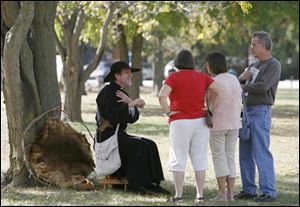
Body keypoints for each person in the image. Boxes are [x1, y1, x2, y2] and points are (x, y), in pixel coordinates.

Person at [95, 61, 169, 195]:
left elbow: (132, 118)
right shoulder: (107, 92)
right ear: (117, 76)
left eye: (130, 73)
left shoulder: (121, 92)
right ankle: (135, 186)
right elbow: (111, 115)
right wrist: (131, 104)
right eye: (127, 73)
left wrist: (130, 103)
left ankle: (151, 183)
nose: (130, 75)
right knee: (138, 146)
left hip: (118, 135)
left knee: (150, 144)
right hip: (108, 137)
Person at [158, 50, 220, 203]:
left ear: (177, 62)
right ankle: (200, 195)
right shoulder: (201, 76)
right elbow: (219, 90)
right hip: (200, 121)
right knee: (199, 158)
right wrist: (208, 106)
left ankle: (179, 195)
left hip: (180, 121)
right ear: (192, 62)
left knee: (178, 157)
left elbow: (161, 96)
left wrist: (168, 112)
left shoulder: (173, 77)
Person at [235, 31, 281, 202]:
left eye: (254, 43)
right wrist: (241, 79)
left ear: (263, 45)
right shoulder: (254, 64)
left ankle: (269, 192)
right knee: (245, 153)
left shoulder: (273, 65)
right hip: (246, 112)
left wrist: (244, 88)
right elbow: (240, 84)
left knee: (261, 152)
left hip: (261, 112)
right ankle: (249, 190)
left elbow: (263, 87)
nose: (252, 46)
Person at [205, 52, 242, 201]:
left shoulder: (213, 81)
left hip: (218, 124)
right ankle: (231, 195)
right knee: (230, 157)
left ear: (212, 65)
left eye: (207, 64)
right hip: (234, 123)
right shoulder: (234, 79)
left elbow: (208, 103)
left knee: (219, 157)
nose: (206, 67)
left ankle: (222, 194)